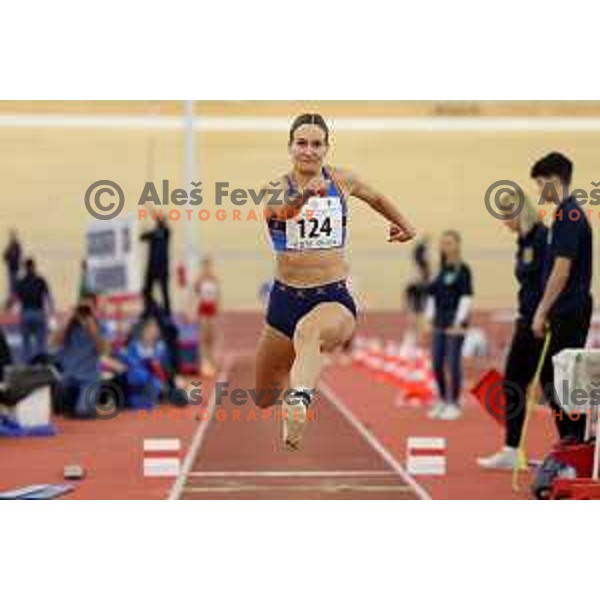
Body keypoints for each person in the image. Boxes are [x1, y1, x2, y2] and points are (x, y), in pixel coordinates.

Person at [255, 113, 416, 450]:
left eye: (316, 144)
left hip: (331, 297)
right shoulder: (273, 189)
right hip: (284, 299)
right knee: (264, 394)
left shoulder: (343, 180)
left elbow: (376, 197)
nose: (309, 151)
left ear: (326, 148)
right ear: (290, 147)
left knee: (308, 332)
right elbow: (282, 213)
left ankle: (299, 400)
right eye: (302, 143)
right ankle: (294, 380)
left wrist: (405, 225)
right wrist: (303, 198)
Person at [477, 193, 548, 469]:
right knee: (513, 383)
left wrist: (543, 314)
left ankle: (572, 444)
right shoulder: (523, 241)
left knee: (551, 388)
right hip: (525, 318)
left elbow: (549, 280)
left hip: (540, 322)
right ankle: (511, 449)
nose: (504, 222)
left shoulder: (542, 238)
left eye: (507, 215)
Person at [530, 152, 593, 442]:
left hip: (570, 307)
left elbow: (562, 270)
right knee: (557, 378)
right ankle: (571, 437)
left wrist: (541, 310)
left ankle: (574, 438)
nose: (539, 191)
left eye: (541, 184)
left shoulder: (569, 215)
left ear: (555, 180)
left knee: (559, 379)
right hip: (565, 308)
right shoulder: (562, 215)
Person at [425, 230, 473, 420]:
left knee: (452, 363)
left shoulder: (464, 270)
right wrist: (429, 318)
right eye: (443, 243)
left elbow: (466, 297)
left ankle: (454, 402)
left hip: (456, 321)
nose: (446, 246)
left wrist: (459, 321)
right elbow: (432, 295)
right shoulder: (441, 270)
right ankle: (442, 400)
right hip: (439, 320)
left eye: (450, 243)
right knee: (437, 363)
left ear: (458, 245)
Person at [53, 293, 107, 418]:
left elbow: (103, 349)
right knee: (63, 411)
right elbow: (55, 342)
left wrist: (91, 323)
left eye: (88, 308)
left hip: (89, 378)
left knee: (84, 412)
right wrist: (67, 320)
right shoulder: (69, 326)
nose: (84, 311)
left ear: (94, 309)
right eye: (81, 307)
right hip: (69, 378)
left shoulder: (99, 326)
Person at [15, 258, 54, 363]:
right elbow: (48, 296)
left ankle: (26, 364)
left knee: (25, 343)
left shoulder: (21, 282)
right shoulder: (40, 280)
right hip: (38, 313)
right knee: (41, 342)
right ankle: (41, 363)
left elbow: (15, 298)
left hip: (26, 313)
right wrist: (51, 312)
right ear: (34, 267)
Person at [194, 256, 221, 377]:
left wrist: (219, 310)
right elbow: (194, 295)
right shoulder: (200, 280)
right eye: (205, 266)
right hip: (203, 309)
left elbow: (218, 296)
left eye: (209, 266)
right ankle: (204, 362)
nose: (207, 269)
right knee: (203, 338)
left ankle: (212, 360)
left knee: (212, 337)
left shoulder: (215, 279)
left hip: (212, 309)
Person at [140, 215, 171, 315]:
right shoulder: (153, 233)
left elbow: (162, 230)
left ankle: (167, 312)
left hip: (162, 267)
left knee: (164, 291)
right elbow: (142, 237)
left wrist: (160, 220)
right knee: (146, 289)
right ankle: (148, 308)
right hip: (152, 266)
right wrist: (144, 228)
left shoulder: (166, 232)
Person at [3, 229, 22, 309]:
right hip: (11, 268)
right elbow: (5, 256)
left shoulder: (16, 245)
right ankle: (11, 303)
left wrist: (10, 256)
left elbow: (16, 256)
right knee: (12, 286)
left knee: (14, 286)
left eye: (12, 235)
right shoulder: (10, 245)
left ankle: (13, 303)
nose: (11, 237)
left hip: (14, 268)